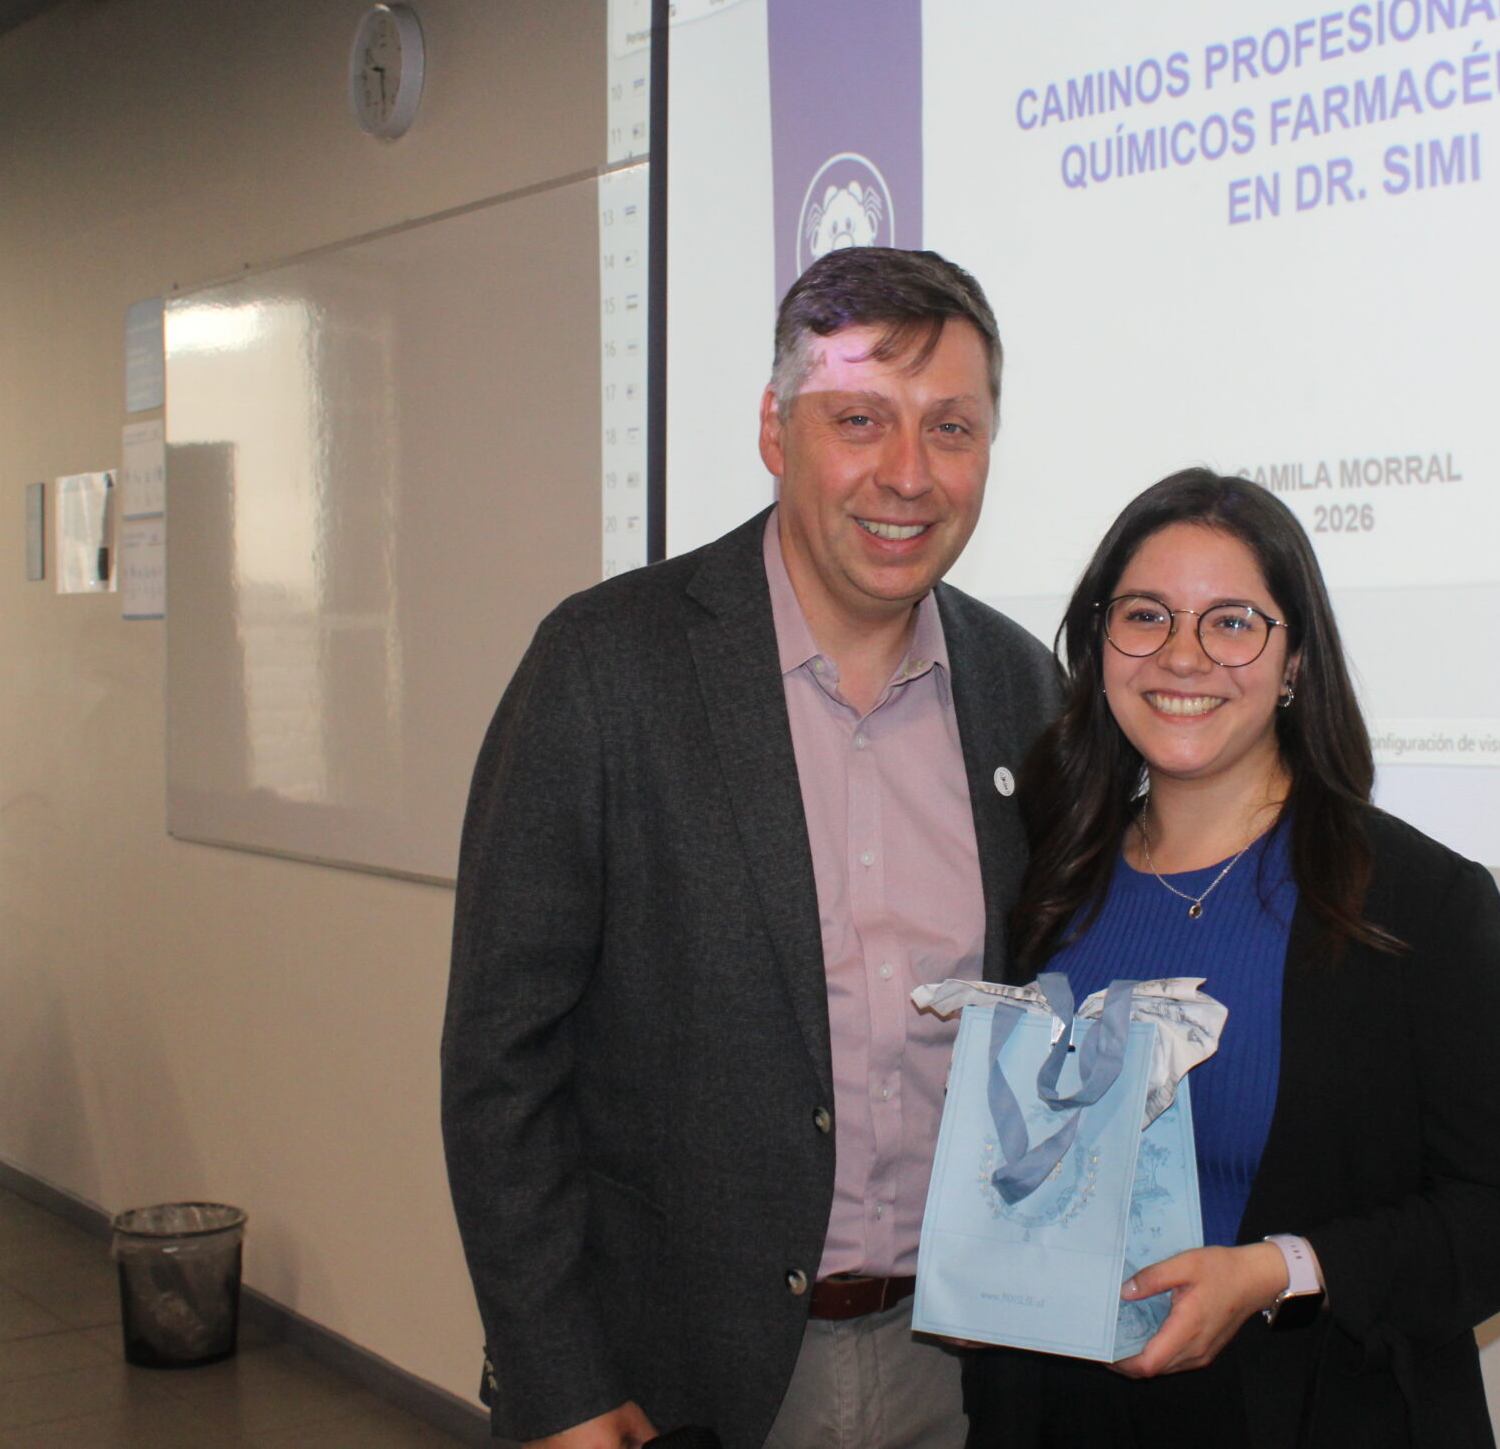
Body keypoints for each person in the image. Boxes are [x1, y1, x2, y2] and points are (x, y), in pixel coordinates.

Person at [442, 247, 1063, 1449]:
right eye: (858, 420)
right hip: (674, 1380)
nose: (907, 473)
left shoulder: (1022, 688)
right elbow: (499, 1062)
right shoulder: (605, 667)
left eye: (950, 428)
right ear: (777, 431)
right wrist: (558, 1380)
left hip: (958, 1365)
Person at [966, 469, 1500, 1448]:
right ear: (1100, 645)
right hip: (1063, 1414)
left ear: (1294, 663)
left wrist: (1276, 1271)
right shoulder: (1048, 880)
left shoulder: (1418, 901)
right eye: (1145, 615)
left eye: (1233, 622)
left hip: (1310, 1410)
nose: (1183, 655)